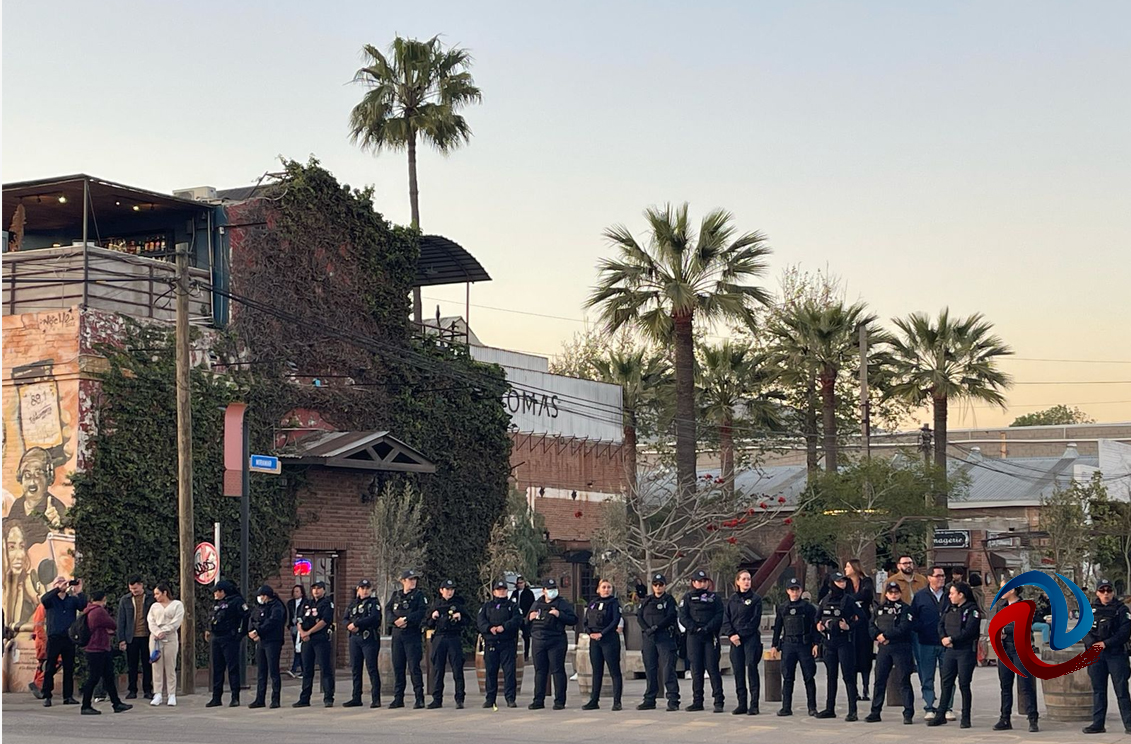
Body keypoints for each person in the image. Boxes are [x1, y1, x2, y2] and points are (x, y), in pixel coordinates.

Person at [927, 581, 980, 728]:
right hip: (950, 650)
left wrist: (952, 639)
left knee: (964, 683)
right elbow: (941, 624)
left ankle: (966, 717)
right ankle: (941, 714)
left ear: (961, 595)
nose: (949, 596)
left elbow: (969, 631)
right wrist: (943, 638)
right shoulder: (949, 608)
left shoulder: (972, 611)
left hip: (965, 651)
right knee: (946, 682)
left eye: (952, 593)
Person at [1082, 578, 1131, 735]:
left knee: (1121, 691)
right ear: (1097, 592)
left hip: (1116, 654)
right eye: (1102, 591)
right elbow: (1084, 630)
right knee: (1098, 690)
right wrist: (1093, 645)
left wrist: (1106, 643)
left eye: (1108, 590)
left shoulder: (1121, 610)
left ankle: (1129, 724)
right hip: (1096, 655)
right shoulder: (1090, 610)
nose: (1106, 594)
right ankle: (1098, 724)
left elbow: (1124, 633)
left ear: (1113, 592)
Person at [865, 581, 915, 724]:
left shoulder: (905, 609)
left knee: (903, 681)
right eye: (891, 592)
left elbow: (904, 626)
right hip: (884, 649)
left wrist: (886, 636)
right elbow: (871, 625)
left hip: (900, 647)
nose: (893, 595)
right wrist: (877, 636)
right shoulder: (879, 609)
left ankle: (908, 713)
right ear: (886, 594)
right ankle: (875, 712)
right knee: (879, 681)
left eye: (896, 592)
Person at [991, 581, 1038, 733]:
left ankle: (1032, 717)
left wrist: (1005, 628)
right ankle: (1005, 718)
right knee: (1005, 685)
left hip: (1020, 649)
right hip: (1005, 648)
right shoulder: (1001, 606)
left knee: (1025, 685)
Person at [815, 571, 861, 721]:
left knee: (848, 676)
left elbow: (863, 618)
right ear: (832, 583)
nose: (842, 583)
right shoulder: (825, 600)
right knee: (831, 676)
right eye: (839, 581)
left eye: (844, 581)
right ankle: (830, 708)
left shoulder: (849, 600)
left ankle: (853, 710)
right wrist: (818, 625)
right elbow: (817, 616)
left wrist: (849, 626)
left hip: (844, 641)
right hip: (829, 642)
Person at [78, 590, 132, 715]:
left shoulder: (88, 610)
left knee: (108, 677)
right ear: (103, 599)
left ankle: (116, 703)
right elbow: (112, 624)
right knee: (94, 677)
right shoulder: (99, 611)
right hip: (98, 648)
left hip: (95, 648)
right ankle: (85, 705)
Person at [771, 577, 818, 717]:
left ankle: (812, 707)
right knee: (787, 677)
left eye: (797, 589)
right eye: (792, 590)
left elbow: (814, 627)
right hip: (788, 645)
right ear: (787, 591)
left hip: (804, 644)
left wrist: (816, 644)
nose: (795, 592)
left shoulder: (808, 607)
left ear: (801, 590)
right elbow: (778, 627)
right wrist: (774, 645)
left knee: (809, 676)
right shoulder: (783, 607)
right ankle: (786, 707)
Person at [679, 568, 725, 713]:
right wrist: (694, 628)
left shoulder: (714, 598)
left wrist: (707, 628)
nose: (702, 583)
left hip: (709, 635)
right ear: (693, 583)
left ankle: (719, 700)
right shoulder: (687, 598)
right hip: (694, 636)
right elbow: (683, 616)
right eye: (699, 581)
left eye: (704, 581)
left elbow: (719, 615)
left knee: (712, 668)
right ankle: (697, 701)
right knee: (696, 670)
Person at [528, 578, 578, 710]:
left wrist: (559, 614)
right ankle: (538, 700)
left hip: (556, 640)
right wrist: (529, 618)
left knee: (557, 670)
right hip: (539, 640)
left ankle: (559, 701)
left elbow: (573, 619)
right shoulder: (537, 603)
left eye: (554, 589)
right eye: (549, 589)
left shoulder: (562, 603)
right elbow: (525, 622)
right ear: (543, 591)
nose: (552, 591)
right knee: (540, 671)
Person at [636, 572, 680, 711]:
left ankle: (673, 700)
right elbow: (639, 616)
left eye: (661, 584)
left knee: (668, 669)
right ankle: (650, 699)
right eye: (655, 584)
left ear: (664, 586)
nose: (658, 587)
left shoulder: (669, 600)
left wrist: (657, 627)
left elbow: (671, 617)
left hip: (665, 637)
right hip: (649, 638)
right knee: (650, 669)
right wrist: (647, 629)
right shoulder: (647, 600)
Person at [40, 575, 86, 707]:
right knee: (50, 667)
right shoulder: (51, 600)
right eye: (59, 582)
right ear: (54, 586)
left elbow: (82, 606)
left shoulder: (71, 600)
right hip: (54, 637)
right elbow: (44, 599)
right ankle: (47, 695)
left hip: (69, 638)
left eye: (63, 582)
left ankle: (68, 696)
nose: (62, 584)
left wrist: (79, 591)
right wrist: (57, 589)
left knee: (69, 668)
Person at [721, 569, 762, 716]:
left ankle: (754, 704)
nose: (746, 582)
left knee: (751, 667)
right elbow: (726, 619)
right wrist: (731, 634)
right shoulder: (732, 599)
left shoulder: (756, 599)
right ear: (737, 582)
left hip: (750, 639)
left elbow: (754, 621)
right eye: (743, 579)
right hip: (735, 640)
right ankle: (742, 703)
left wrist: (740, 634)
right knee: (738, 671)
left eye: (749, 579)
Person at [386, 568, 428, 708]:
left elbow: (421, 612)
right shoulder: (396, 595)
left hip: (412, 634)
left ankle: (419, 698)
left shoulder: (418, 596)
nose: (413, 582)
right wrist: (394, 620)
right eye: (410, 580)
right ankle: (398, 698)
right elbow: (388, 610)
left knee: (414, 667)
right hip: (397, 635)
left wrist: (406, 619)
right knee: (398, 667)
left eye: (414, 579)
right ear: (403, 581)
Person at [478, 578, 521, 708]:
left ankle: (510, 698)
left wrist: (504, 626)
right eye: (499, 590)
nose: (501, 592)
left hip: (507, 643)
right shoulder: (487, 606)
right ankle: (490, 699)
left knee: (509, 672)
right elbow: (480, 621)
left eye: (503, 590)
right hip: (491, 643)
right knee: (491, 672)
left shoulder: (512, 606)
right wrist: (489, 628)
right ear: (494, 592)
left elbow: (517, 620)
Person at [911, 565, 948, 720]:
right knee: (927, 676)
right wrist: (920, 628)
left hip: (947, 642)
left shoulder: (950, 594)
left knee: (948, 676)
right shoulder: (920, 596)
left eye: (943, 576)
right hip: (926, 641)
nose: (941, 579)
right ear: (929, 578)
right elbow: (913, 617)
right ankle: (929, 706)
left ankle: (947, 706)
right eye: (938, 576)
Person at [582, 578, 623, 711]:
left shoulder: (614, 603)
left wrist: (602, 634)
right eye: (604, 587)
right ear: (598, 589)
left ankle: (617, 701)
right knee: (596, 671)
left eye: (609, 587)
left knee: (614, 671)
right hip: (595, 641)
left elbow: (615, 621)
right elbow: (586, 620)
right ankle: (594, 700)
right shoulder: (593, 603)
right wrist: (590, 633)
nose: (606, 590)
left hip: (609, 640)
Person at [206, 580, 249, 707]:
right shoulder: (218, 603)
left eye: (217, 591)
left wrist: (240, 634)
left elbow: (245, 617)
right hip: (216, 637)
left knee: (232, 668)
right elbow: (212, 616)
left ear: (224, 591)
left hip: (229, 637)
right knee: (217, 668)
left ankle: (235, 697)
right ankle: (216, 697)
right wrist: (208, 629)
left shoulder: (236, 601)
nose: (215, 594)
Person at [294, 580, 335, 708]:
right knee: (307, 669)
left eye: (319, 588)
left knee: (325, 668)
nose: (316, 591)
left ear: (324, 590)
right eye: (314, 588)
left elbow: (324, 621)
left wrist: (309, 632)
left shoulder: (327, 603)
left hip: (320, 639)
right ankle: (305, 698)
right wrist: (302, 633)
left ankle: (328, 697)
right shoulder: (307, 603)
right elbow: (299, 619)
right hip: (307, 640)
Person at [427, 578, 467, 709]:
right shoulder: (436, 604)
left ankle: (459, 698)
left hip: (453, 637)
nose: (450, 592)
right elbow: (426, 623)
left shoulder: (458, 604)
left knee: (457, 668)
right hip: (439, 637)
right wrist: (433, 617)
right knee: (438, 669)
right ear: (441, 591)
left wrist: (460, 617)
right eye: (447, 590)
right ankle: (437, 699)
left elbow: (468, 620)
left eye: (452, 590)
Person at [343, 578, 382, 709]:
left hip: (369, 638)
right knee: (355, 669)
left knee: (371, 668)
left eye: (367, 588)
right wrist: (349, 625)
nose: (365, 591)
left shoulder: (374, 603)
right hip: (354, 638)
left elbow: (374, 618)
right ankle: (356, 697)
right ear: (358, 590)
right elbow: (345, 618)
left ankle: (376, 698)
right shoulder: (352, 604)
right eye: (362, 588)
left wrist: (357, 624)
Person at [115, 575, 155, 700]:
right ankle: (132, 690)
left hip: (147, 636)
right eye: (132, 589)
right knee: (132, 665)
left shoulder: (151, 598)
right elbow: (121, 620)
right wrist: (121, 639)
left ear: (141, 585)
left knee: (147, 664)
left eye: (136, 589)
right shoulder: (125, 600)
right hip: (130, 637)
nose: (134, 591)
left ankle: (148, 689)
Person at [248, 585, 286, 709]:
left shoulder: (277, 606)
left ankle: (275, 699)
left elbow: (273, 622)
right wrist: (251, 631)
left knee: (273, 671)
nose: (260, 598)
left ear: (267, 595)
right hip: (261, 641)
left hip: (273, 641)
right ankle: (260, 698)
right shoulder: (259, 607)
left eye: (262, 595)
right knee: (261, 671)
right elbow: (252, 618)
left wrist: (259, 631)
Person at [146, 581, 183, 706]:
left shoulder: (177, 605)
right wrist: (157, 632)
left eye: (157, 593)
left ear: (165, 593)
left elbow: (177, 621)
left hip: (170, 637)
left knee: (170, 665)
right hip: (156, 638)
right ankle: (158, 694)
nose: (155, 596)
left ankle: (171, 694)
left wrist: (164, 631)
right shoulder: (154, 607)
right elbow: (150, 621)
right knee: (156, 665)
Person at [845, 559, 875, 699]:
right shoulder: (846, 584)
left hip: (864, 623)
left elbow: (866, 595)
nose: (845, 569)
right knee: (852, 655)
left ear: (855, 568)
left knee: (865, 655)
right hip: (850, 623)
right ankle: (854, 690)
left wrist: (852, 600)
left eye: (848, 566)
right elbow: (844, 598)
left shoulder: (866, 581)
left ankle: (865, 687)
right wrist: (855, 601)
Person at [512, 576, 536, 659]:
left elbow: (532, 605)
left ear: (525, 583)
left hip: (525, 617)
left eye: (521, 583)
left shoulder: (529, 593)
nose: (520, 585)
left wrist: (529, 616)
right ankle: (514, 653)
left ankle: (526, 654)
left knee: (526, 636)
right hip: (516, 617)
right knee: (514, 635)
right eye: (518, 583)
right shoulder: (514, 593)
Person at [287, 585, 305, 678]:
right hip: (293, 627)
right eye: (294, 591)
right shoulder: (290, 603)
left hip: (301, 627)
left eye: (297, 591)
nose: (295, 593)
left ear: (301, 593)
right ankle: (302, 670)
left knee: (300, 648)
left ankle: (294, 669)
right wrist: (289, 625)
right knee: (297, 648)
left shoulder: (305, 602)